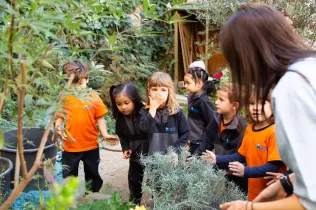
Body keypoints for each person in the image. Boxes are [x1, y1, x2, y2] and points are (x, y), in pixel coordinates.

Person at [217, 3, 316, 210]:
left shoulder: (292, 87)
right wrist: (287, 182)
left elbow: (311, 199)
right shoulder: (309, 68)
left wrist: (248, 208)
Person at [205, 90, 286, 201]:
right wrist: (217, 159)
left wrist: (245, 171)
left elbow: (273, 166)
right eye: (252, 103)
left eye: (262, 103)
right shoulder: (250, 129)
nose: (256, 108)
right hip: (254, 193)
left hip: (273, 195)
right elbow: (240, 155)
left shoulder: (275, 131)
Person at [55, 60, 118, 192]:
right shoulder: (65, 97)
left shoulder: (93, 97)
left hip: (91, 145)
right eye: (73, 85)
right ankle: (69, 199)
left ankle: (92, 195)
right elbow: (60, 117)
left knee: (93, 173)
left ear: (87, 80)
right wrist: (58, 130)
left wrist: (105, 134)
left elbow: (100, 117)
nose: (77, 88)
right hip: (70, 147)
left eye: (80, 84)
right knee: (69, 175)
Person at [193, 83, 248, 194]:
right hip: (219, 169)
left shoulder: (242, 129)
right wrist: (194, 159)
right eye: (217, 98)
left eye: (221, 100)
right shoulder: (216, 120)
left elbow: (238, 158)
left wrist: (215, 161)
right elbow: (205, 144)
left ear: (235, 105)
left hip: (237, 179)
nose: (216, 102)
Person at [109, 82, 149, 205]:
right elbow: (122, 136)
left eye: (126, 103)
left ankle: (160, 204)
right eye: (119, 104)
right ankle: (134, 204)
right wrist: (125, 147)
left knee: (155, 182)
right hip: (135, 157)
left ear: (134, 100)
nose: (123, 107)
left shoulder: (146, 113)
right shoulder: (120, 119)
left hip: (152, 154)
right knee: (134, 181)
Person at [139, 72, 189, 156]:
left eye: (163, 90)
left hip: (172, 161)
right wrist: (152, 110)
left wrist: (175, 151)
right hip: (152, 161)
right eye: (154, 89)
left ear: (169, 92)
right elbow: (144, 130)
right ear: (149, 92)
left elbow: (185, 134)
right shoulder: (144, 111)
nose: (159, 93)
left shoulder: (176, 111)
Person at [184, 60, 216, 154]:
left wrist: (205, 146)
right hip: (191, 141)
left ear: (199, 84)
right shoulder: (192, 98)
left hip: (199, 144)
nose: (185, 86)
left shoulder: (203, 101)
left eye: (188, 83)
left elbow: (213, 124)